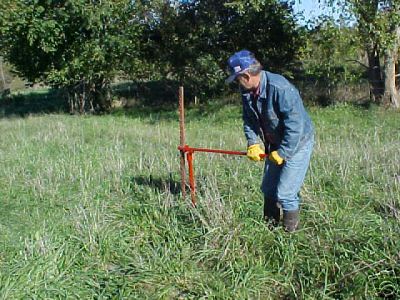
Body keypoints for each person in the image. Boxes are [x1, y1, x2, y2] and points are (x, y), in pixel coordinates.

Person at [226, 49, 314, 232]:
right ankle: (269, 230)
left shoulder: (281, 89)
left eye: (237, 78)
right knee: (268, 189)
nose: (236, 83)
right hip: (274, 143)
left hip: (297, 144)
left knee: (286, 193)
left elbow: (295, 126)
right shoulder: (247, 92)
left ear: (247, 75)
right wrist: (252, 143)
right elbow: (249, 120)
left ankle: (290, 238)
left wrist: (283, 153)